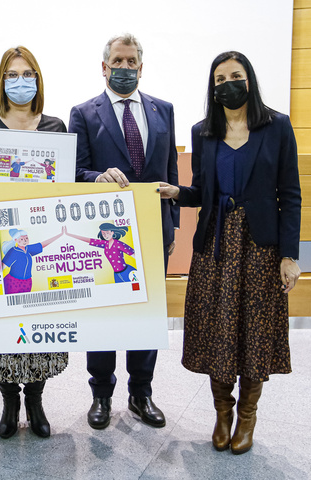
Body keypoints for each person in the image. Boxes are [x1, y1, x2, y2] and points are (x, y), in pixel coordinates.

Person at [158, 51, 301, 454]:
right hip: (216, 246)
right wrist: (177, 193)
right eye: (219, 79)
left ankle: (247, 417)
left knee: (253, 332)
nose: (227, 84)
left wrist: (289, 255)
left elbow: (290, 195)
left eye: (235, 76)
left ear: (249, 81)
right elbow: (204, 192)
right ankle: (223, 412)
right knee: (216, 331)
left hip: (260, 248)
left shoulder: (277, 127)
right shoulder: (204, 130)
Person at [69, 33, 179, 430]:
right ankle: (101, 394)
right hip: (106, 233)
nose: (125, 68)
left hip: (153, 228)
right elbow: (74, 172)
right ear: (104, 66)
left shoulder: (163, 109)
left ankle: (141, 393)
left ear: (141, 67)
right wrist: (97, 176)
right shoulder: (83, 112)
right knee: (102, 314)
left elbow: (170, 171)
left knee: (146, 315)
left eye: (132, 62)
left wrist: (174, 224)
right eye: (118, 61)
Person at [0, 46, 69, 439]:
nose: (20, 81)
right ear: (1, 81)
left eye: (27, 74)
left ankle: (36, 399)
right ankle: (9, 400)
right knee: (2, 327)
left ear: (38, 80)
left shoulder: (57, 127)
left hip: (39, 243)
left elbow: (68, 188)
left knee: (41, 325)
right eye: (12, 74)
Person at [65, 223, 137, 283]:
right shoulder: (105, 244)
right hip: (116, 275)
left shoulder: (118, 243)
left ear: (112, 232)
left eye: (107, 233)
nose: (105, 235)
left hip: (127, 272)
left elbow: (134, 254)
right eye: (103, 233)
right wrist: (69, 234)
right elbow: (88, 240)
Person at [1, 228, 64, 294]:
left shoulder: (28, 249)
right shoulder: (13, 251)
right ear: (16, 240)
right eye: (22, 239)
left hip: (27, 282)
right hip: (13, 282)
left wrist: (60, 235)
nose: (25, 241)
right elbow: (3, 266)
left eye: (26, 238)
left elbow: (42, 245)